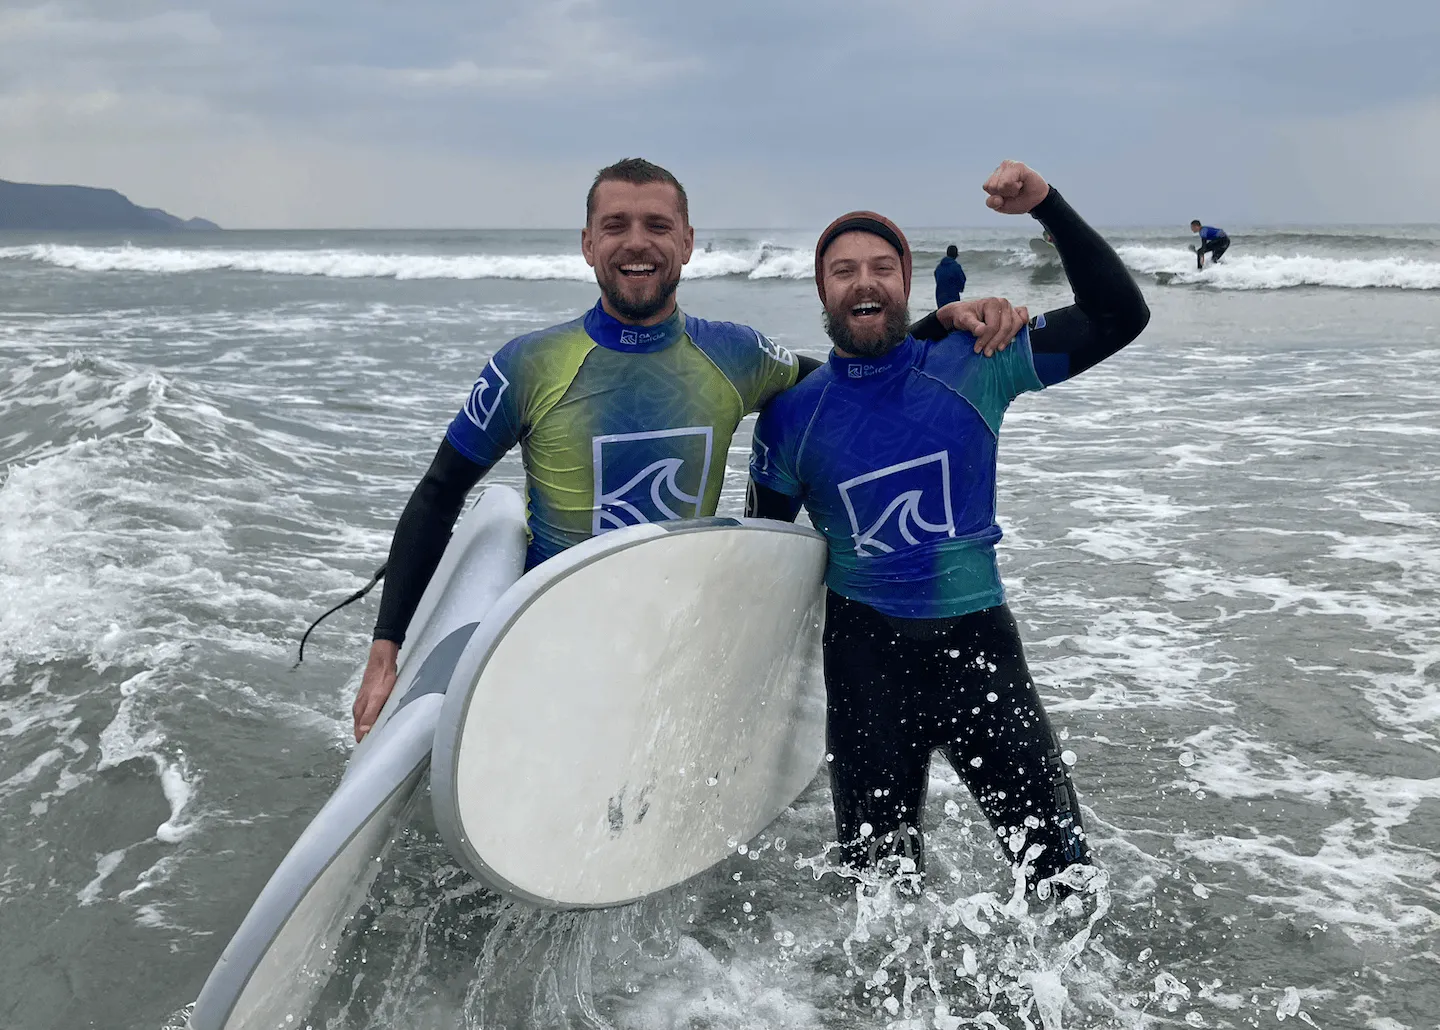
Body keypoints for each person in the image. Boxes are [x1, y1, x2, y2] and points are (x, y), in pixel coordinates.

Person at [349, 157, 1027, 741]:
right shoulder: (530, 365)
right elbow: (441, 491)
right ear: (588, 244)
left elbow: (847, 378)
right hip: (551, 643)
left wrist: (935, 329)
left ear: (689, 243)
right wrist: (388, 651)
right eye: (615, 226)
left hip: (672, 648)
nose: (636, 243)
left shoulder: (733, 354)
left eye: (657, 226)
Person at [746, 160, 1150, 893]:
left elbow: (1121, 316)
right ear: (822, 292)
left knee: (1063, 881)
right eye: (842, 270)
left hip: (980, 654)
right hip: (865, 668)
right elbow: (759, 559)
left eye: (880, 267)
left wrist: (1048, 207)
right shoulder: (790, 416)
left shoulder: (977, 362)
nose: (863, 282)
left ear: (906, 282)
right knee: (877, 897)